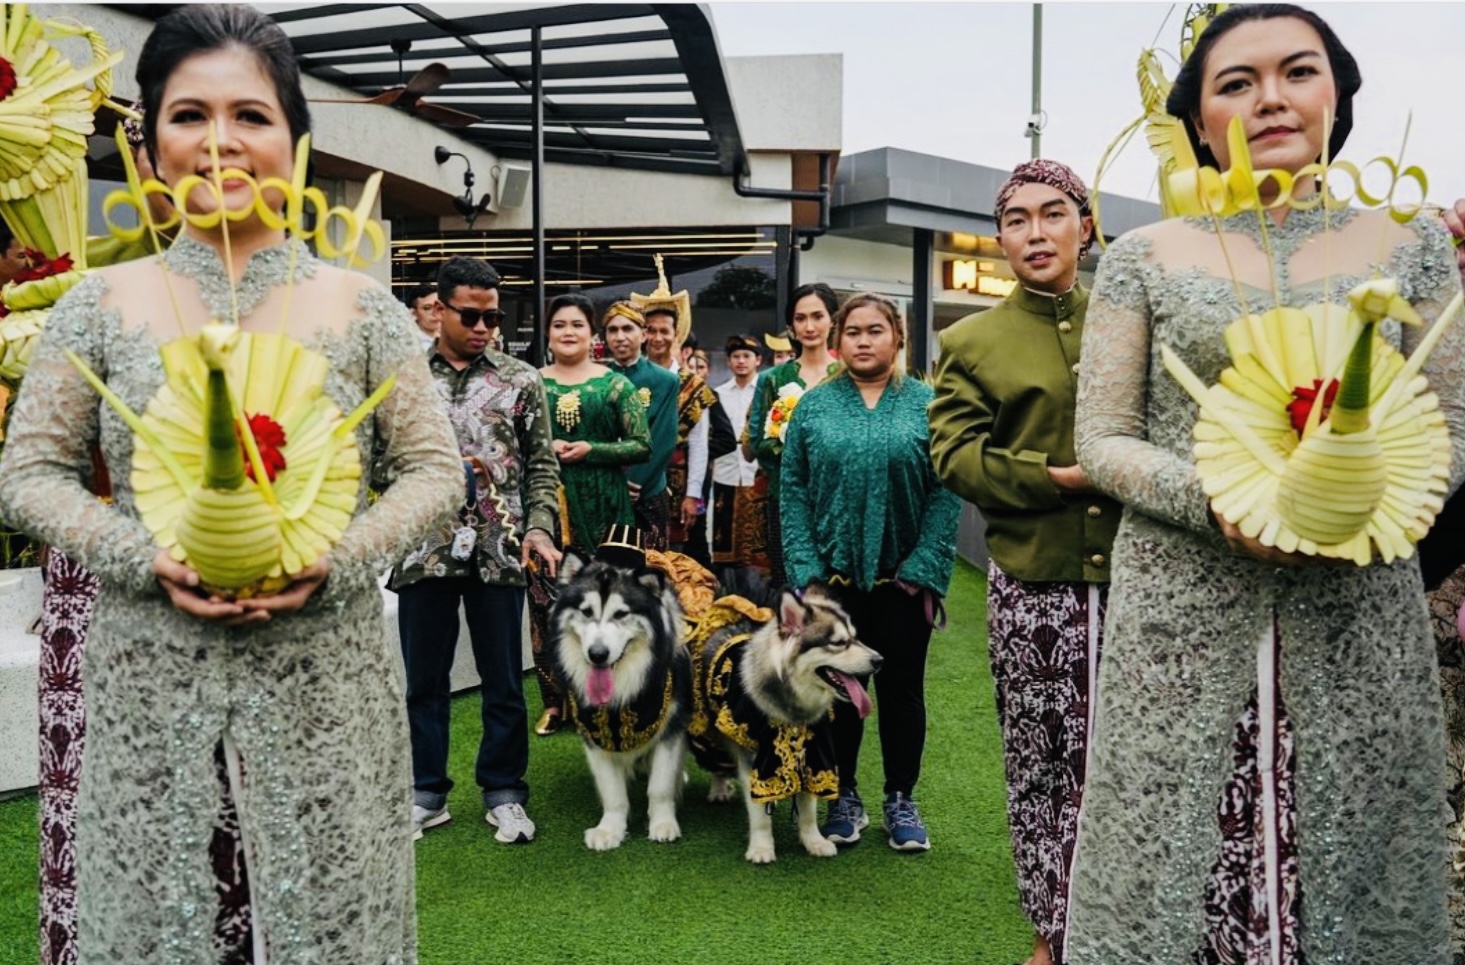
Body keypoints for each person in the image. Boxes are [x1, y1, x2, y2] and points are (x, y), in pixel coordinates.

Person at [0, 6, 464, 961]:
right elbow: (30, 476)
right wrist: (141, 556)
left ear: (296, 140)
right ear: (152, 139)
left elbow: (433, 473)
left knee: (329, 917)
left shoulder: (359, 304)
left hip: (325, 683)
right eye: (188, 115)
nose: (220, 143)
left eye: (251, 116)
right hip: (151, 677)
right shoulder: (98, 303)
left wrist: (336, 559)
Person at [1067, 7, 1465, 962]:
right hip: (1179, 602)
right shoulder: (1142, 256)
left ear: (1338, 93)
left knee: (1363, 846)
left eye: (1297, 71)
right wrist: (1218, 502)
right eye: (1235, 83)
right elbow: (1104, 437)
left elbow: (1449, 426)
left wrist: (1359, 493)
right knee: (1166, 849)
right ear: (1199, 120)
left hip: (1358, 597)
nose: (1270, 97)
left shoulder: (1410, 245)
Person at [928, 159, 1118, 965]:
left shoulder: (1129, 318)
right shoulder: (969, 341)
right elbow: (954, 456)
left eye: (1052, 214)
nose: (1034, 233)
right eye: (1015, 219)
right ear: (998, 236)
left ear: (1085, 224)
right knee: (1043, 763)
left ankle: (1132, 926)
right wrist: (1051, 478)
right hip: (1037, 587)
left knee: (1139, 759)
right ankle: (1052, 935)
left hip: (1143, 584)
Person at [780, 293, 961, 853]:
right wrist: (808, 571)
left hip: (902, 584)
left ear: (897, 337)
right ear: (837, 340)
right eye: (853, 330)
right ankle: (844, 795)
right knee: (839, 692)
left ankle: (901, 798)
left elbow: (945, 491)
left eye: (875, 330)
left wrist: (923, 567)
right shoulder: (814, 407)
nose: (863, 339)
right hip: (834, 588)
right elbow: (793, 490)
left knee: (903, 692)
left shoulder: (928, 405)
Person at [390, 255, 561, 845]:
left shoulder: (521, 380)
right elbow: (374, 458)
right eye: (472, 315)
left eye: (494, 315)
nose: (485, 326)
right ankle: (426, 793)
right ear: (438, 310)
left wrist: (540, 529)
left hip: (502, 545)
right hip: (423, 548)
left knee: (504, 682)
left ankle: (505, 793)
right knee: (424, 682)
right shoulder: (403, 376)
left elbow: (541, 467)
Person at [525, 292, 651, 736]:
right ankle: (556, 702)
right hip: (545, 508)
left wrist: (591, 449)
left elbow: (642, 443)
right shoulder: (530, 382)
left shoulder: (615, 385)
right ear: (549, 333)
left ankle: (613, 697)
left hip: (609, 510)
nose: (568, 333)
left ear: (591, 333)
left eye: (577, 325)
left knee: (611, 603)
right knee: (545, 606)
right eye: (559, 325)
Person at [744, 282, 842, 587]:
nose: (809, 326)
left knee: (838, 588)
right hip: (785, 498)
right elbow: (758, 444)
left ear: (832, 321)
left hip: (839, 498)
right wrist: (790, 451)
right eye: (800, 319)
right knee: (788, 587)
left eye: (817, 316)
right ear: (791, 326)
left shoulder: (847, 375)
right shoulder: (772, 379)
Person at [603, 300, 679, 551]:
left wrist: (633, 483)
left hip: (646, 491)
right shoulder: (595, 377)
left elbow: (663, 439)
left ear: (643, 334)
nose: (620, 337)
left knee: (649, 572)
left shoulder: (664, 380)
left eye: (628, 329)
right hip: (602, 489)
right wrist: (611, 483)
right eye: (612, 330)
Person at [711, 334, 768, 583]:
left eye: (747, 356)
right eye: (736, 356)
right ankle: (727, 590)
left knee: (758, 540)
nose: (741, 361)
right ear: (728, 361)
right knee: (724, 538)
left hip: (757, 472)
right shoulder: (718, 394)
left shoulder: (766, 391)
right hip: (725, 473)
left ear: (758, 360)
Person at [404, 283, 441, 352]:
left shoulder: (452, 341)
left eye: (438, 307)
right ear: (413, 313)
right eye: (427, 308)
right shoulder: (408, 344)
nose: (435, 313)